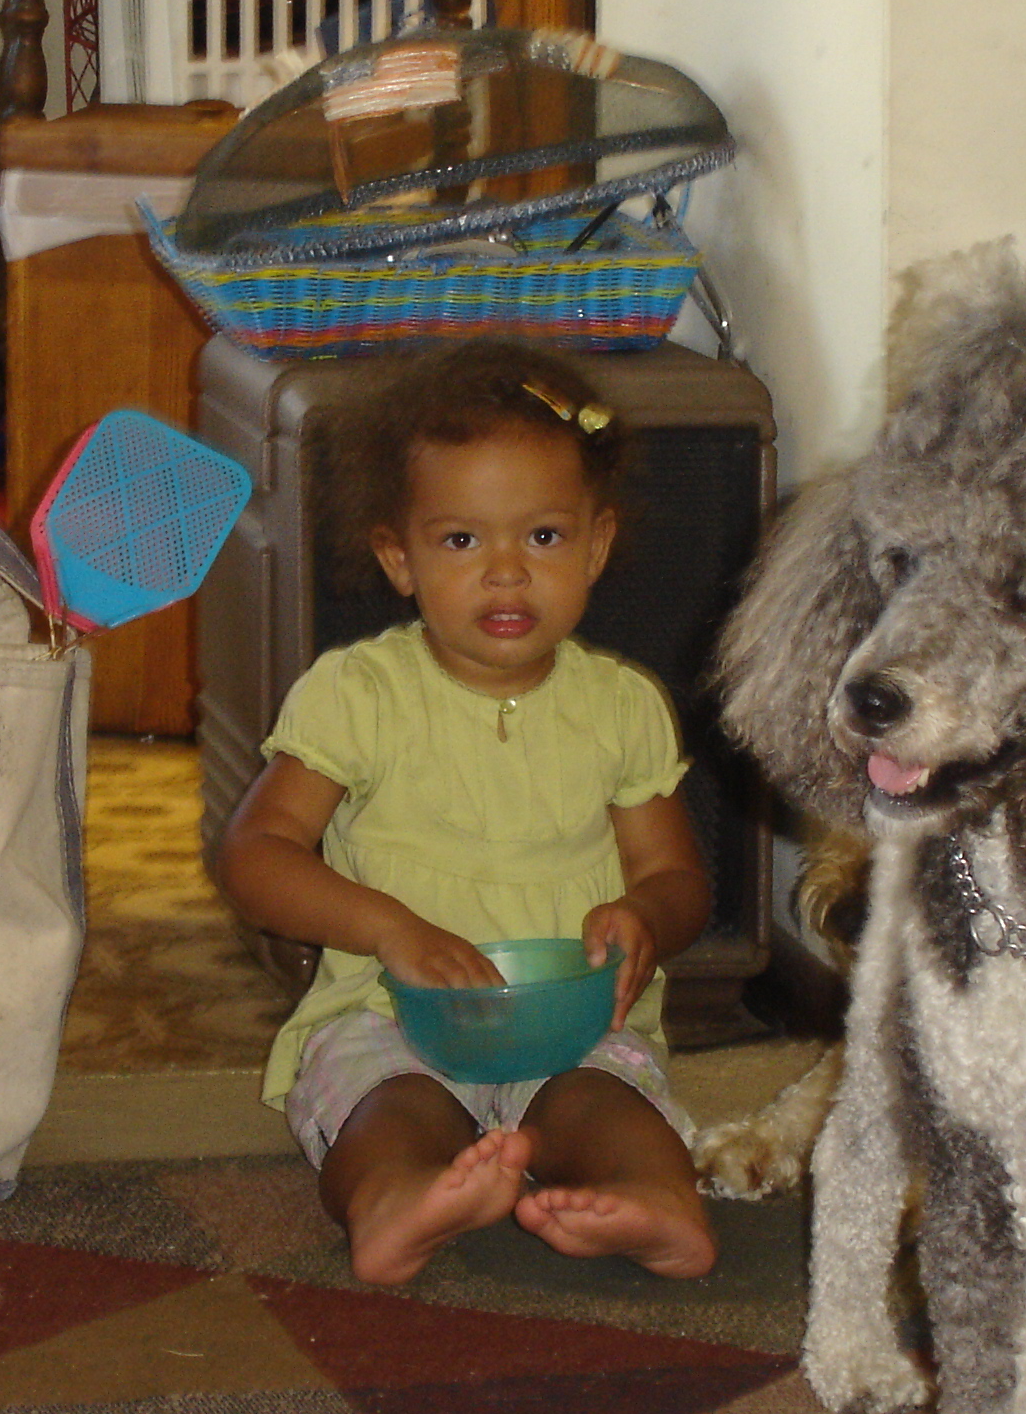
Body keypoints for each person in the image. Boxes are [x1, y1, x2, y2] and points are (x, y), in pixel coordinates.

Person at [215, 341, 720, 1287]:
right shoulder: (358, 694)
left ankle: (656, 1197)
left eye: (544, 538)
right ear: (398, 558)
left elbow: (677, 876)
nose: (505, 573)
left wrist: (647, 917)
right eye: (460, 542)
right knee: (384, 1108)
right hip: (390, 1012)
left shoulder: (622, 705)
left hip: (574, 1025)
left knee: (608, 1103)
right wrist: (391, 931)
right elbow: (256, 854)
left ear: (597, 546)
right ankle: (397, 1197)